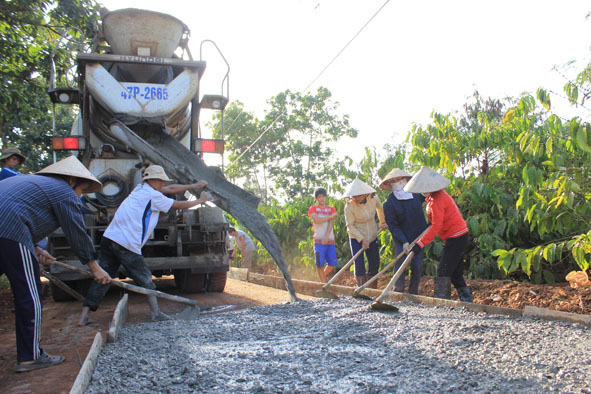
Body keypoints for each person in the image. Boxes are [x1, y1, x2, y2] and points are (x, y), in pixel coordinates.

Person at [0, 155, 111, 372]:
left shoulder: (32, 184)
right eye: (82, 189)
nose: (80, 196)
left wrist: (36, 248)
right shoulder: (63, 190)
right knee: (30, 294)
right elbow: (76, 232)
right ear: (71, 180)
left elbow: (19, 209)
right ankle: (30, 357)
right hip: (9, 230)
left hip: (8, 230)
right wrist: (94, 267)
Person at [78, 165, 211, 325]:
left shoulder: (140, 189)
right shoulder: (154, 197)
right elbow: (178, 205)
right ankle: (156, 313)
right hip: (126, 243)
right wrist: (201, 200)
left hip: (110, 238)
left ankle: (84, 315)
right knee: (146, 280)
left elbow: (170, 189)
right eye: (161, 181)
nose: (163, 184)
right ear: (153, 180)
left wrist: (194, 186)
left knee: (103, 276)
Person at [405, 166, 473, 302]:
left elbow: (436, 226)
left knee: (443, 271)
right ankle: (467, 301)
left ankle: (441, 301)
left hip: (457, 237)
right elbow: (435, 221)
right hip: (455, 236)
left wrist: (420, 244)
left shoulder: (438, 199)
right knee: (455, 273)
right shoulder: (431, 199)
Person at [381, 168, 428, 294]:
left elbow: (431, 200)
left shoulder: (417, 195)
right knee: (401, 262)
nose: (397, 182)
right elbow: (393, 225)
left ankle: (413, 293)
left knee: (417, 265)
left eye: (399, 179)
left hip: (419, 235)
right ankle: (398, 290)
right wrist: (404, 241)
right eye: (394, 181)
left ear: (406, 180)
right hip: (402, 237)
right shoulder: (389, 203)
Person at [343, 178, 387, 287]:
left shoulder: (374, 199)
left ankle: (372, 287)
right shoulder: (349, 207)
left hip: (372, 234)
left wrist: (382, 222)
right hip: (356, 236)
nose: (357, 198)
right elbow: (350, 226)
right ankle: (361, 287)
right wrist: (362, 239)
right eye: (354, 196)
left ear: (365, 194)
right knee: (359, 263)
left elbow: (380, 209)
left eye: (359, 195)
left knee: (374, 262)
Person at [308, 187, 338, 283]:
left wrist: (326, 236)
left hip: (330, 240)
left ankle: (322, 278)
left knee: (332, 264)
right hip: (318, 241)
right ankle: (323, 284)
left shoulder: (331, 209)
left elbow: (331, 223)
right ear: (316, 198)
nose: (321, 199)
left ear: (326, 197)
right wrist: (329, 217)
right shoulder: (313, 209)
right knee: (319, 264)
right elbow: (317, 220)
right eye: (319, 197)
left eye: (323, 196)